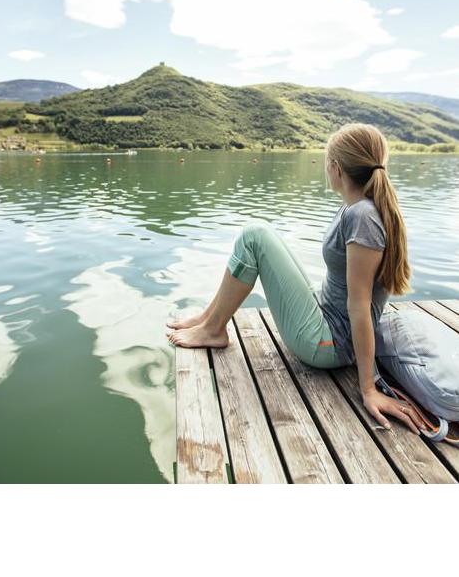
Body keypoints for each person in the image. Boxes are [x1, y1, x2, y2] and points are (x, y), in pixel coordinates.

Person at [166, 122, 425, 435]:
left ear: (336, 167)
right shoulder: (356, 208)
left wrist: (368, 388)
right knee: (263, 236)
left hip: (329, 344)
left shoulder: (362, 217)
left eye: (327, 162)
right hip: (327, 320)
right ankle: (210, 319)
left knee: (254, 237)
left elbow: (359, 306)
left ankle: (213, 329)